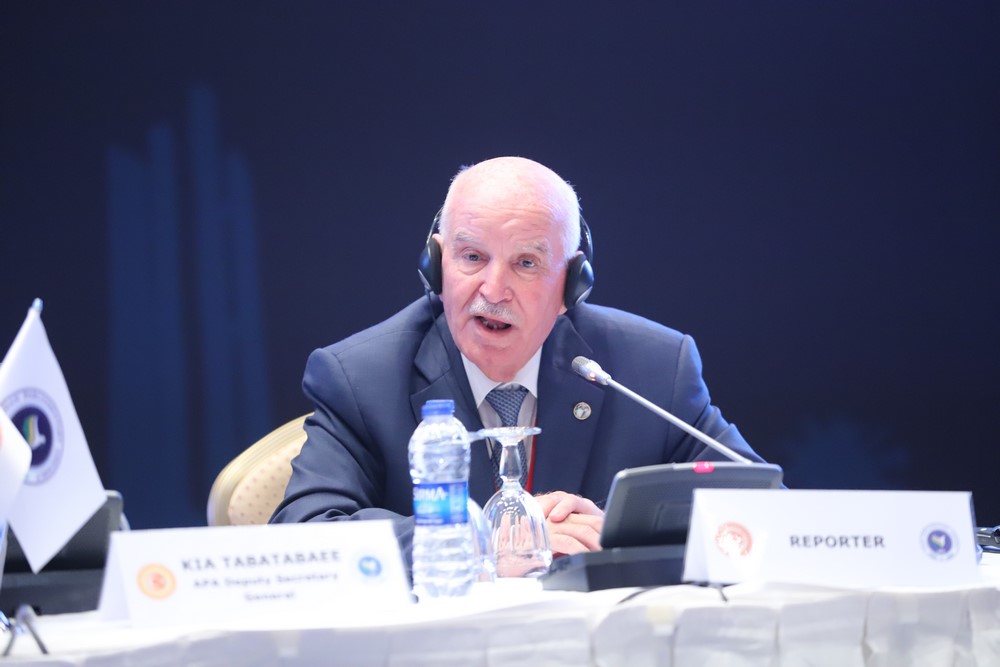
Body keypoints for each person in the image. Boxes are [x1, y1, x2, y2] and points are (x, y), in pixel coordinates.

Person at [271, 156, 769, 561]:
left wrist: (626, 535)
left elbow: (767, 515)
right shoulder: (361, 378)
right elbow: (304, 535)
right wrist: (486, 541)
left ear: (572, 285)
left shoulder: (653, 367)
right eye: (472, 257)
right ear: (436, 265)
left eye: (526, 263)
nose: (493, 290)